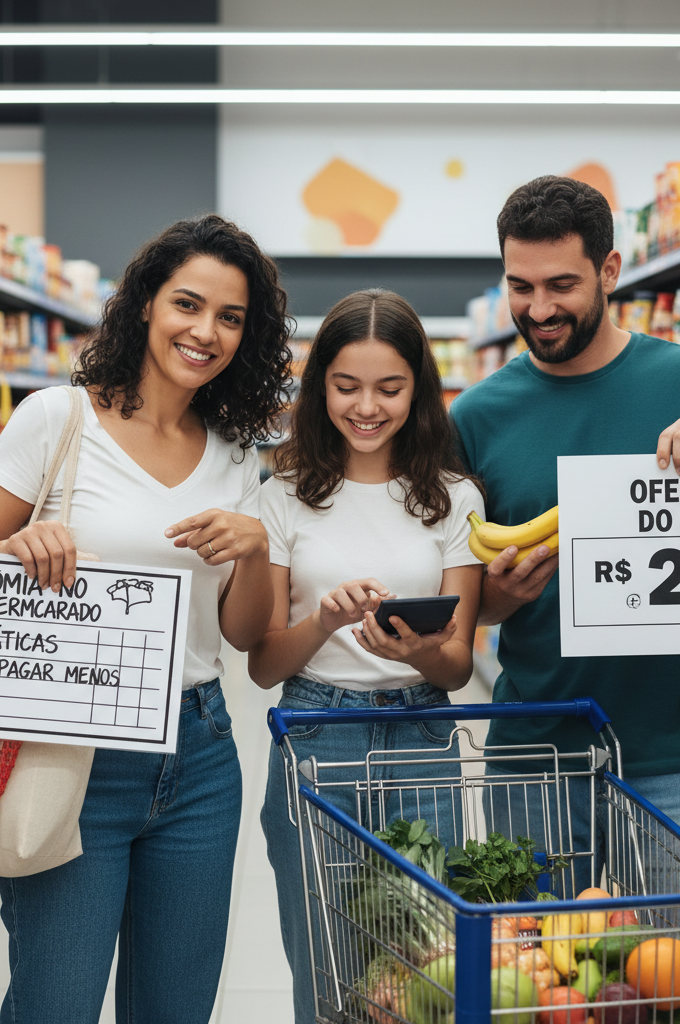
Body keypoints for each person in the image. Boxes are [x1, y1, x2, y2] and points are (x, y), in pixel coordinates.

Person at [0, 214, 292, 1024]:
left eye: (231, 318)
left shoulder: (239, 458)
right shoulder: (57, 419)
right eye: (188, 304)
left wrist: (253, 546)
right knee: (55, 1002)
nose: (205, 331)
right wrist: (17, 546)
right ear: (145, 304)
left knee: (175, 1007)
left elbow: (242, 634)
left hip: (200, 751)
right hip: (73, 746)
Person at [449, 175, 680, 879]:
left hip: (674, 754)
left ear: (610, 270)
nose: (538, 308)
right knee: (538, 981)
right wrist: (503, 596)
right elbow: (467, 597)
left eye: (561, 284)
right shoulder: (475, 416)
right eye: (520, 286)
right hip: (534, 752)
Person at [249, 289, 484, 1023]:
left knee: (425, 967)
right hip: (316, 734)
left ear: (419, 390)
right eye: (347, 386)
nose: (367, 407)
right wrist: (324, 619)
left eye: (390, 388)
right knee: (328, 964)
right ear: (320, 385)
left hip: (423, 737)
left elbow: (459, 666)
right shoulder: (281, 496)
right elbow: (263, 666)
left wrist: (419, 650)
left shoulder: (455, 500)